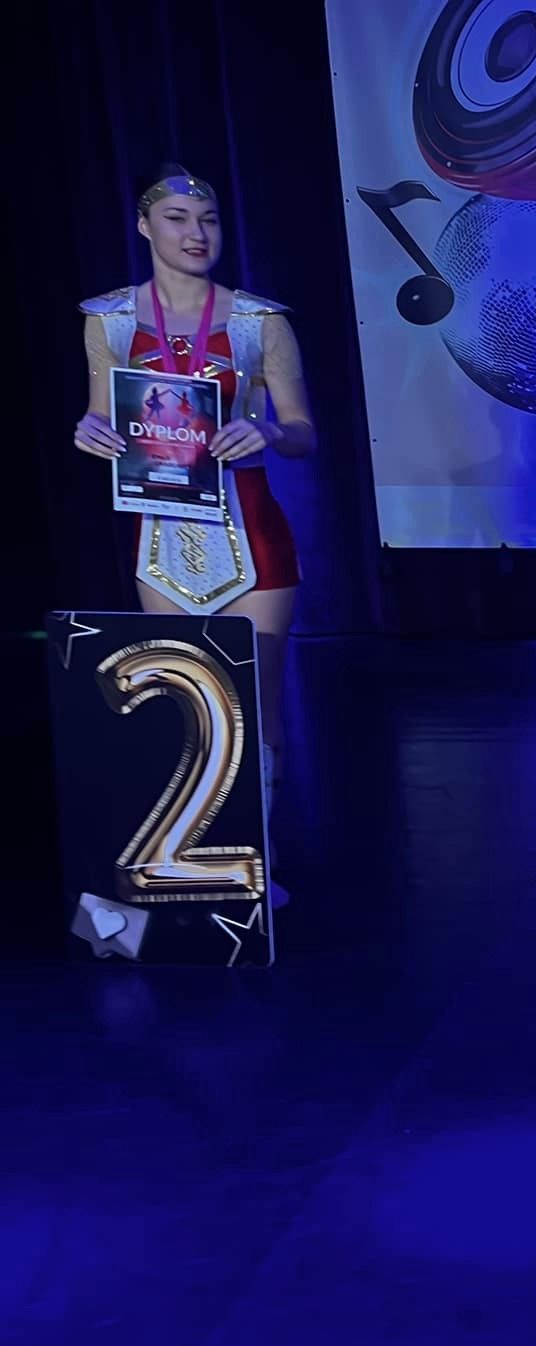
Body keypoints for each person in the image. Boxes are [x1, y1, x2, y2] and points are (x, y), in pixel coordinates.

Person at [72, 167, 315, 894]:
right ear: (145, 226)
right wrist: (91, 431)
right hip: (163, 539)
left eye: (207, 219)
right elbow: (103, 414)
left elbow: (304, 433)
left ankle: (254, 867)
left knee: (255, 710)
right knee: (187, 709)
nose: (196, 233)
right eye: (178, 218)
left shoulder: (259, 322)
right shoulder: (110, 319)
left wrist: (269, 431)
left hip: (253, 536)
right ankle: (193, 861)